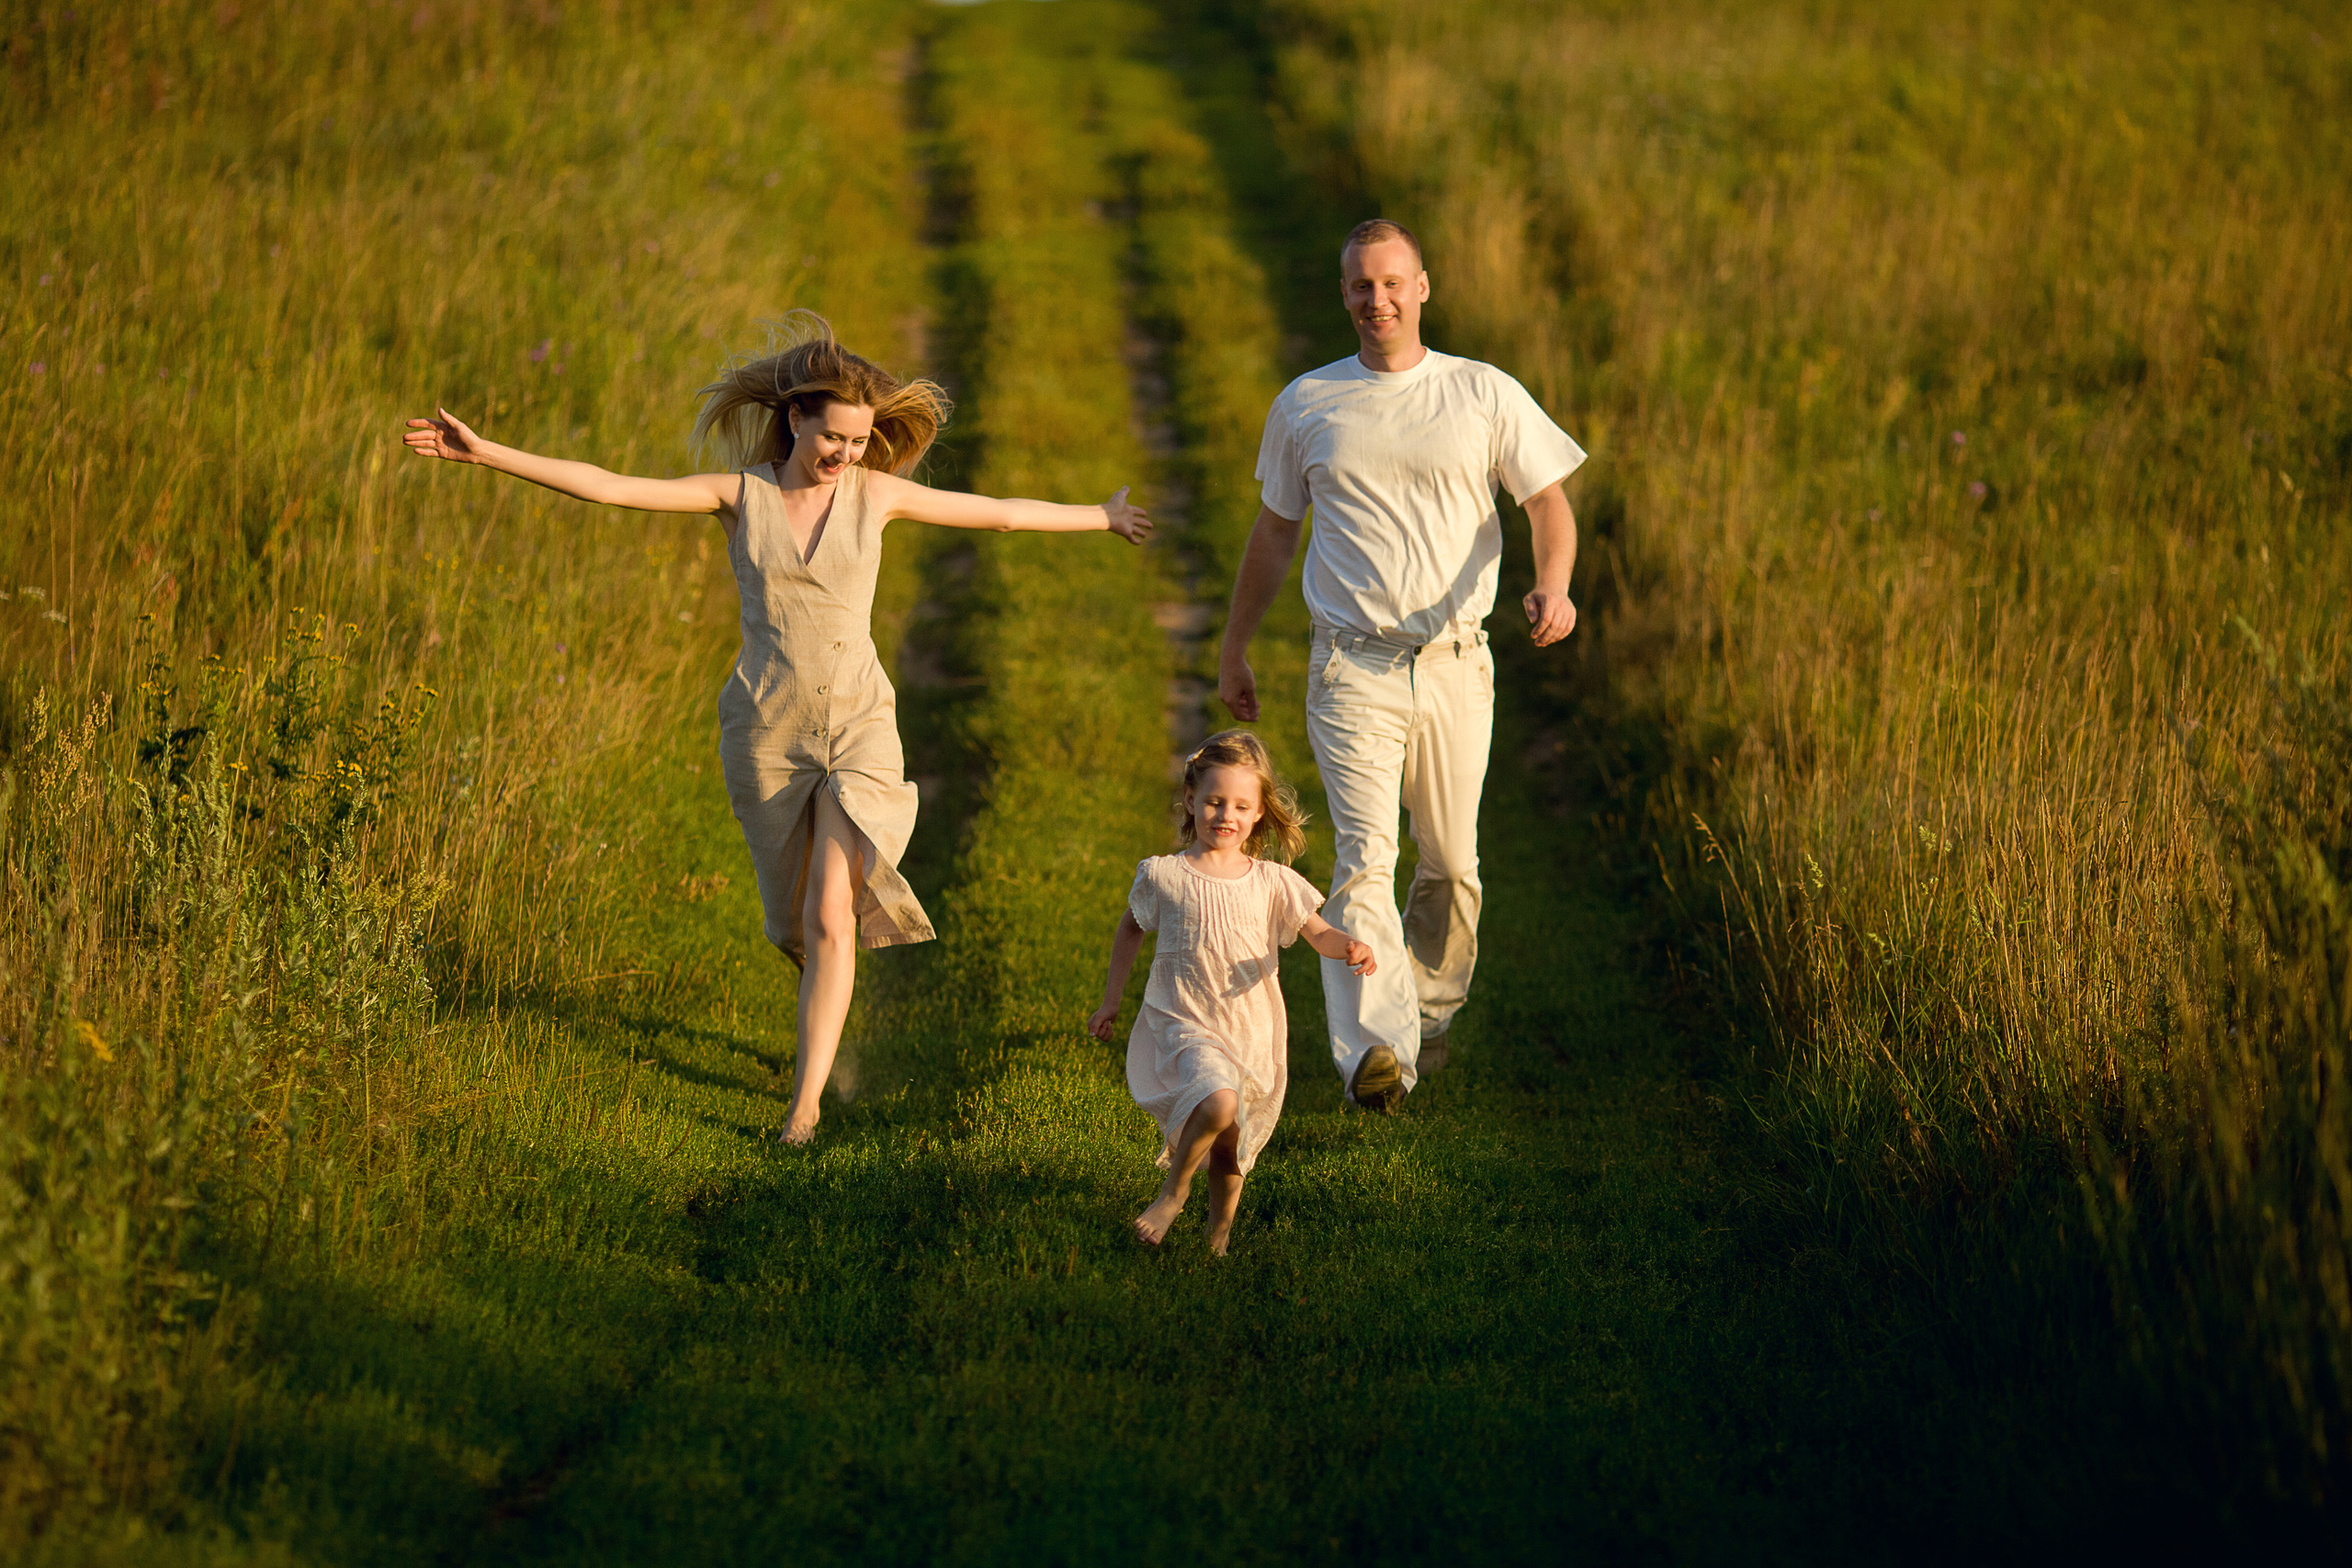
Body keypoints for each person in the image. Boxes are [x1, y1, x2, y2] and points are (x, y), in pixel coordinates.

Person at [404, 311, 1152, 1144]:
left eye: (860, 441)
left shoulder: (875, 496)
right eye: (833, 437)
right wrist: (488, 453)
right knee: (796, 925)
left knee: (833, 911)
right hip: (767, 733)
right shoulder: (741, 496)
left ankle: (804, 1109)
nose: (846, 455)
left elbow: (1000, 514)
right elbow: (611, 485)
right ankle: (820, 1018)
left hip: (859, 726)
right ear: (796, 418)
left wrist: (1100, 515)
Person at [1217, 219, 1587, 1112]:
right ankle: (1373, 1056)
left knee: (1451, 863)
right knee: (1363, 861)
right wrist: (1234, 646)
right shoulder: (1307, 403)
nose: (1376, 300)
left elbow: (1547, 502)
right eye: (1360, 286)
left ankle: (1428, 1011)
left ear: (1422, 287)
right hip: (1352, 666)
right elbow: (1275, 533)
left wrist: (1554, 586)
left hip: (1457, 662)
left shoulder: (1482, 391)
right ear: (1343, 295)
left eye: (1391, 283)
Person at [1086, 730, 1374, 1255]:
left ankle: (1217, 1244)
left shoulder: (1272, 881)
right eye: (1215, 801)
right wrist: (1111, 1001)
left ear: (1260, 812)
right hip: (1185, 1017)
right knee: (1218, 1101)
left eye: (1241, 806)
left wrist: (1349, 945)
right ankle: (1174, 1192)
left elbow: (1318, 933)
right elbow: (1131, 927)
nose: (1226, 815)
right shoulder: (1165, 875)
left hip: (1250, 1028)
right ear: (1190, 799)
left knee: (1229, 1147)